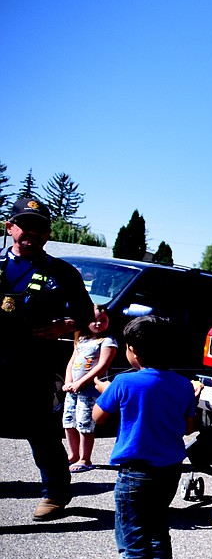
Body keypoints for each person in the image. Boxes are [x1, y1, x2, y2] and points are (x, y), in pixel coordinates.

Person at [91, 316, 198, 559]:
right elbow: (188, 426)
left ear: (134, 351)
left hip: (135, 473)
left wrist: (105, 390)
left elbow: (99, 417)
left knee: (133, 537)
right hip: (169, 471)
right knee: (156, 529)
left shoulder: (124, 382)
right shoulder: (181, 384)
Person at [1, 197, 94, 520]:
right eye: (25, 225)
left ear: (48, 234)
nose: (32, 233)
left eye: (40, 228)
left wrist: (64, 325)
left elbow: (85, 314)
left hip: (33, 365)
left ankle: (55, 494)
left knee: (40, 432)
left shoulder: (62, 272)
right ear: (9, 226)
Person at [61, 305, 117, 472]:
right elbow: (72, 362)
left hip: (88, 390)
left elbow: (102, 365)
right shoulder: (81, 339)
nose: (98, 323)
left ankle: (86, 458)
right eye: (94, 320)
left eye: (103, 320)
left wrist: (81, 382)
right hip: (73, 390)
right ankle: (73, 455)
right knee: (69, 422)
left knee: (85, 423)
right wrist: (69, 381)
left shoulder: (108, 341)